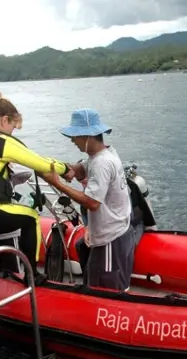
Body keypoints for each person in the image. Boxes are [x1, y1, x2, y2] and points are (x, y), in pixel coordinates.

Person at [0, 90, 78, 352]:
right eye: (14, 126)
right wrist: (68, 169)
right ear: (5, 119)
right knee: (31, 216)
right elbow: (40, 162)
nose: (13, 132)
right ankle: (31, 275)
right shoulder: (1, 142)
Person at [41, 108, 136, 292]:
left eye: (74, 136)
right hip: (111, 232)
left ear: (87, 136)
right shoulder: (102, 154)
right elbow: (81, 168)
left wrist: (57, 184)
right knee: (94, 280)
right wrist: (65, 169)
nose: (72, 140)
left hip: (111, 238)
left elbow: (92, 203)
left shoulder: (101, 163)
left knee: (108, 292)